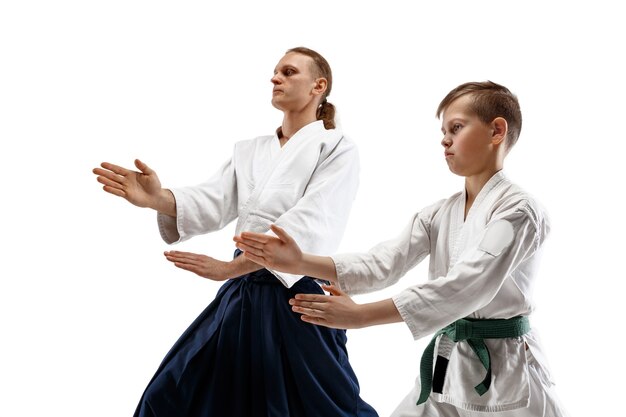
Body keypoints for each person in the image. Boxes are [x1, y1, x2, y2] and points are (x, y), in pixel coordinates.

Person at [234, 81, 569, 417]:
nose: (445, 139)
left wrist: (362, 315)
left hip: (509, 378)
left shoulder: (519, 211)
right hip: (449, 365)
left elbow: (465, 287)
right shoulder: (439, 213)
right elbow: (384, 262)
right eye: (443, 130)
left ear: (496, 131)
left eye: (457, 127)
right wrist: (301, 261)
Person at [93, 47, 378, 417]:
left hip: (297, 298)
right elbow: (214, 201)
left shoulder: (337, 147)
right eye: (275, 72)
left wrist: (230, 269)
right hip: (242, 295)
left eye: (289, 72)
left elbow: (309, 223)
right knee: (173, 395)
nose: (276, 78)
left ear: (318, 86)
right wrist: (158, 199)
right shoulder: (250, 150)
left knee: (319, 406)